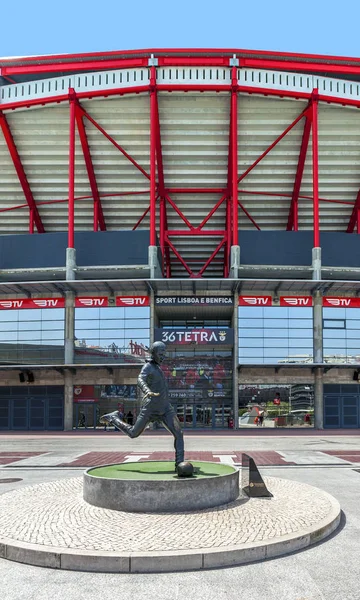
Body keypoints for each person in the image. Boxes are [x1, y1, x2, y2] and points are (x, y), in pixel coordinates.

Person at [101, 341, 184, 470]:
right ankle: (113, 418)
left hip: (166, 409)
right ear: (153, 353)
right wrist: (147, 391)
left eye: (164, 354)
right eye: (161, 354)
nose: (163, 357)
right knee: (133, 433)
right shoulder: (148, 367)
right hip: (150, 409)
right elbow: (140, 379)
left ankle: (179, 464)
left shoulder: (158, 368)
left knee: (179, 434)